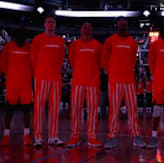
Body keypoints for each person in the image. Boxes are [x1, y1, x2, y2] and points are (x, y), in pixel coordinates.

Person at [101, 17, 145, 149]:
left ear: (127, 26)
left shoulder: (132, 42)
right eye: (120, 24)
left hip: (129, 81)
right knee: (114, 110)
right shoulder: (110, 41)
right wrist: (110, 71)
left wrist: (127, 70)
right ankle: (112, 136)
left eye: (124, 24)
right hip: (114, 81)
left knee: (133, 109)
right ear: (117, 26)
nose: (122, 26)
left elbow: (133, 60)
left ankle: (136, 136)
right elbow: (104, 59)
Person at [31, 15, 65, 147]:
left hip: (55, 78)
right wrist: (37, 74)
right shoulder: (38, 39)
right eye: (48, 22)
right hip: (41, 77)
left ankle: (53, 136)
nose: (50, 24)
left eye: (52, 22)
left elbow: (61, 57)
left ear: (55, 25)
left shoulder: (60, 41)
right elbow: (33, 58)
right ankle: (38, 137)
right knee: (39, 108)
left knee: (54, 108)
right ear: (44, 25)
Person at [67, 22, 103, 148]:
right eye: (84, 28)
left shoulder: (98, 45)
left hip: (93, 83)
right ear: (81, 30)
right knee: (76, 109)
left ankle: (92, 137)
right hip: (78, 82)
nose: (87, 30)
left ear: (91, 30)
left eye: (89, 28)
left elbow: (101, 63)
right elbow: (72, 62)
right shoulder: (74, 45)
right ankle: (74, 136)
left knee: (93, 110)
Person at [0, 31, 33, 146]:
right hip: (12, 83)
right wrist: (6, 75)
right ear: (14, 39)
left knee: (26, 110)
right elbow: (2, 63)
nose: (20, 43)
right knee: (9, 110)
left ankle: (27, 136)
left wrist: (31, 76)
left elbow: (33, 63)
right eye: (18, 40)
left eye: (22, 40)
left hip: (26, 84)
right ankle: (6, 136)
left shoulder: (29, 47)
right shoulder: (8, 47)